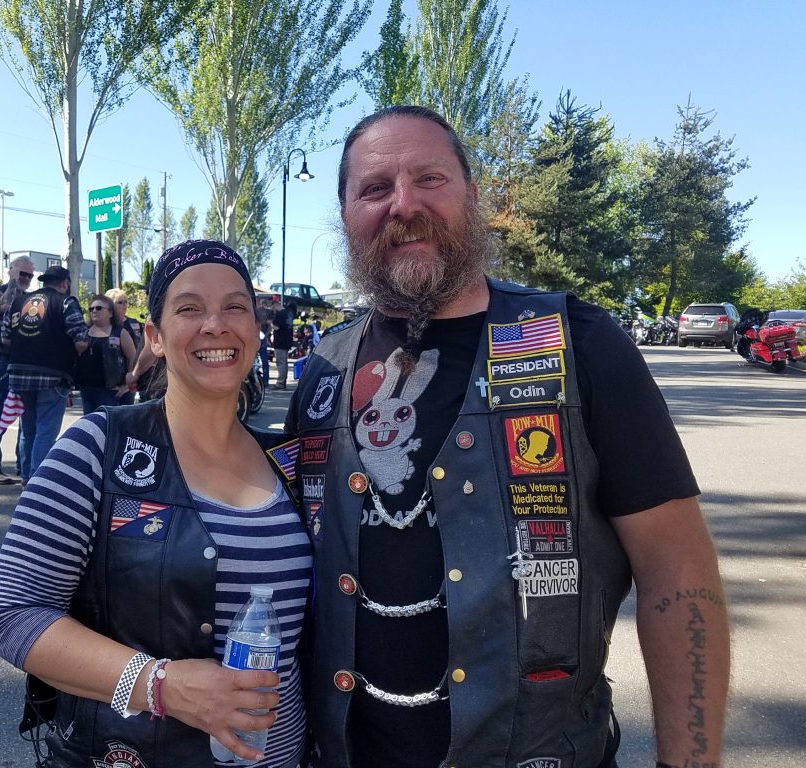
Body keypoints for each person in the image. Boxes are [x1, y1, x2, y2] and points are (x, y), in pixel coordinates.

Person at [285, 106, 729, 768]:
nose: (403, 205)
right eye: (374, 189)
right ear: (346, 214)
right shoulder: (321, 371)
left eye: (429, 179)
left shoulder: (582, 346)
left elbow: (678, 573)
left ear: (473, 197)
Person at [0, 240, 312, 768]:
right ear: (155, 338)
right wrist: (160, 684)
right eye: (189, 308)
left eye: (235, 306)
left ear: (256, 327)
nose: (215, 324)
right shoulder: (99, 446)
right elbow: (13, 616)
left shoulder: (290, 462)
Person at [7, 264, 88, 482]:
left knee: (28, 429)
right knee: (45, 431)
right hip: (53, 374)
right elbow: (81, 340)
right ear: (64, 283)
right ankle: (37, 482)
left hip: (19, 374)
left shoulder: (18, 302)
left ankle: (26, 476)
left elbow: (5, 338)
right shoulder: (66, 302)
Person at [0, 256, 33, 484]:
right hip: (2, 361)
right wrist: (12, 283)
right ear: (12, 271)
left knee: (26, 415)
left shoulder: (32, 300)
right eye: (22, 274)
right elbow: (0, 306)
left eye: (30, 276)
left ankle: (23, 467)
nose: (26, 279)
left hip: (24, 361)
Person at [75, 294, 137, 414]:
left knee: (108, 427)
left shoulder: (120, 332)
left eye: (98, 308)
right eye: (91, 309)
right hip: (87, 389)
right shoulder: (84, 332)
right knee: (90, 426)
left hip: (111, 391)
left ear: (110, 313)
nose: (94, 311)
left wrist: (127, 386)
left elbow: (133, 358)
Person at [106, 289, 146, 405]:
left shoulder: (135, 323)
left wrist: (129, 385)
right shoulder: (105, 326)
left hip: (131, 379)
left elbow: (142, 350)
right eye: (120, 302)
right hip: (109, 383)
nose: (124, 305)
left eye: (126, 302)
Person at [271, 299, 295, 389]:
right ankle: (283, 381)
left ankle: (280, 383)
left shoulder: (280, 314)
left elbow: (276, 327)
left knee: (280, 362)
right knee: (284, 362)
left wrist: (270, 323)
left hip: (280, 341)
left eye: (273, 307)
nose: (273, 309)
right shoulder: (289, 313)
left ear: (276, 305)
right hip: (287, 340)